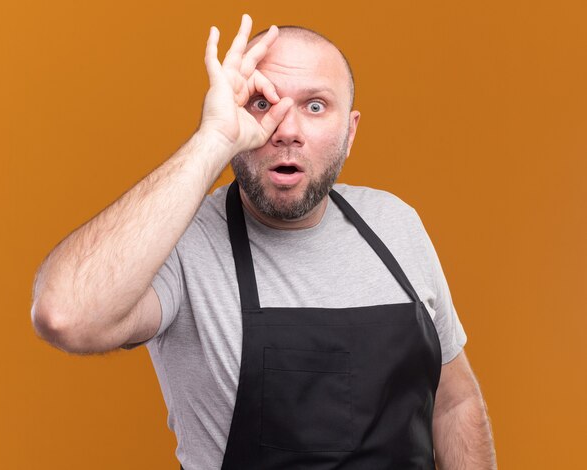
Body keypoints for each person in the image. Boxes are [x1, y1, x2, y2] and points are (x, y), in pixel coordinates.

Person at [31, 14, 497, 469]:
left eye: (315, 106)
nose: (287, 130)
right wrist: (212, 140)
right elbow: (66, 315)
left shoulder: (396, 223)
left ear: (349, 132)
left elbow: (453, 404)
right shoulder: (184, 242)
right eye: (262, 103)